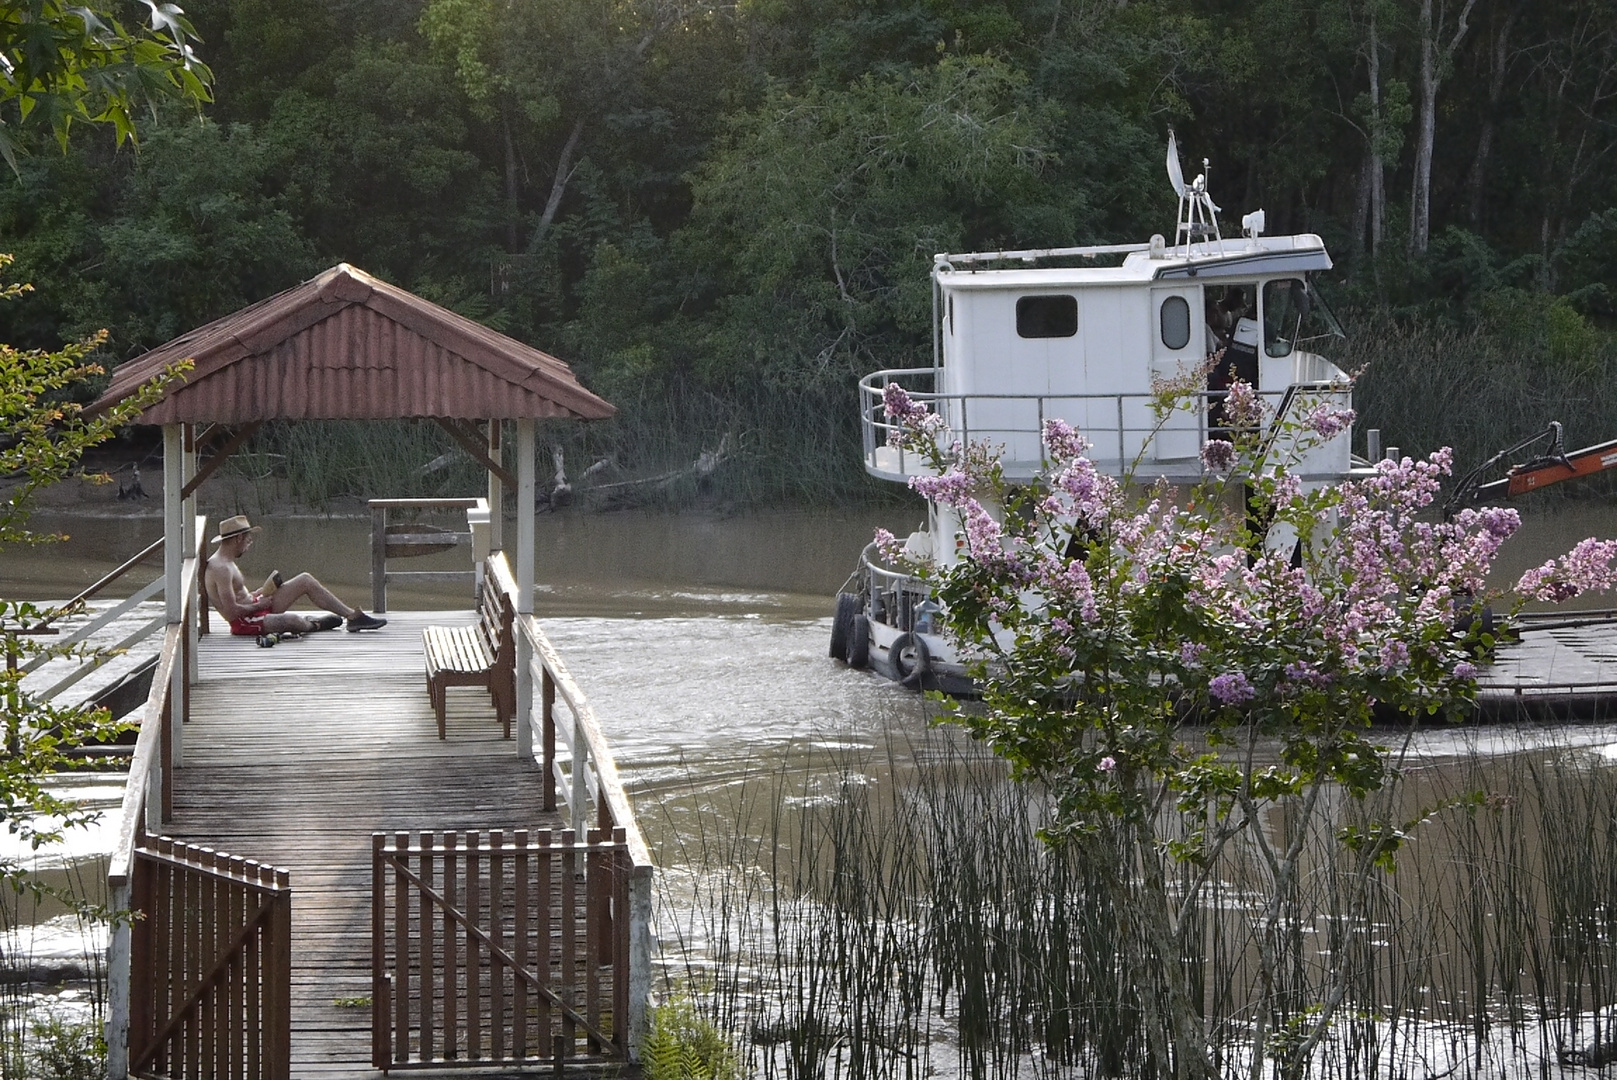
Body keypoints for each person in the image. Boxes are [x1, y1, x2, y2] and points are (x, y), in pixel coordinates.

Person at [204, 515, 387, 636]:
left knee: (305, 580)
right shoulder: (220, 568)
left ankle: (353, 617)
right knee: (292, 621)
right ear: (238, 539)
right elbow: (231, 611)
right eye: (248, 539)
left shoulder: (226, 561)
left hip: (254, 606)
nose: (249, 544)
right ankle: (312, 625)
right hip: (245, 622)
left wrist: (258, 593)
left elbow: (237, 596)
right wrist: (259, 604)